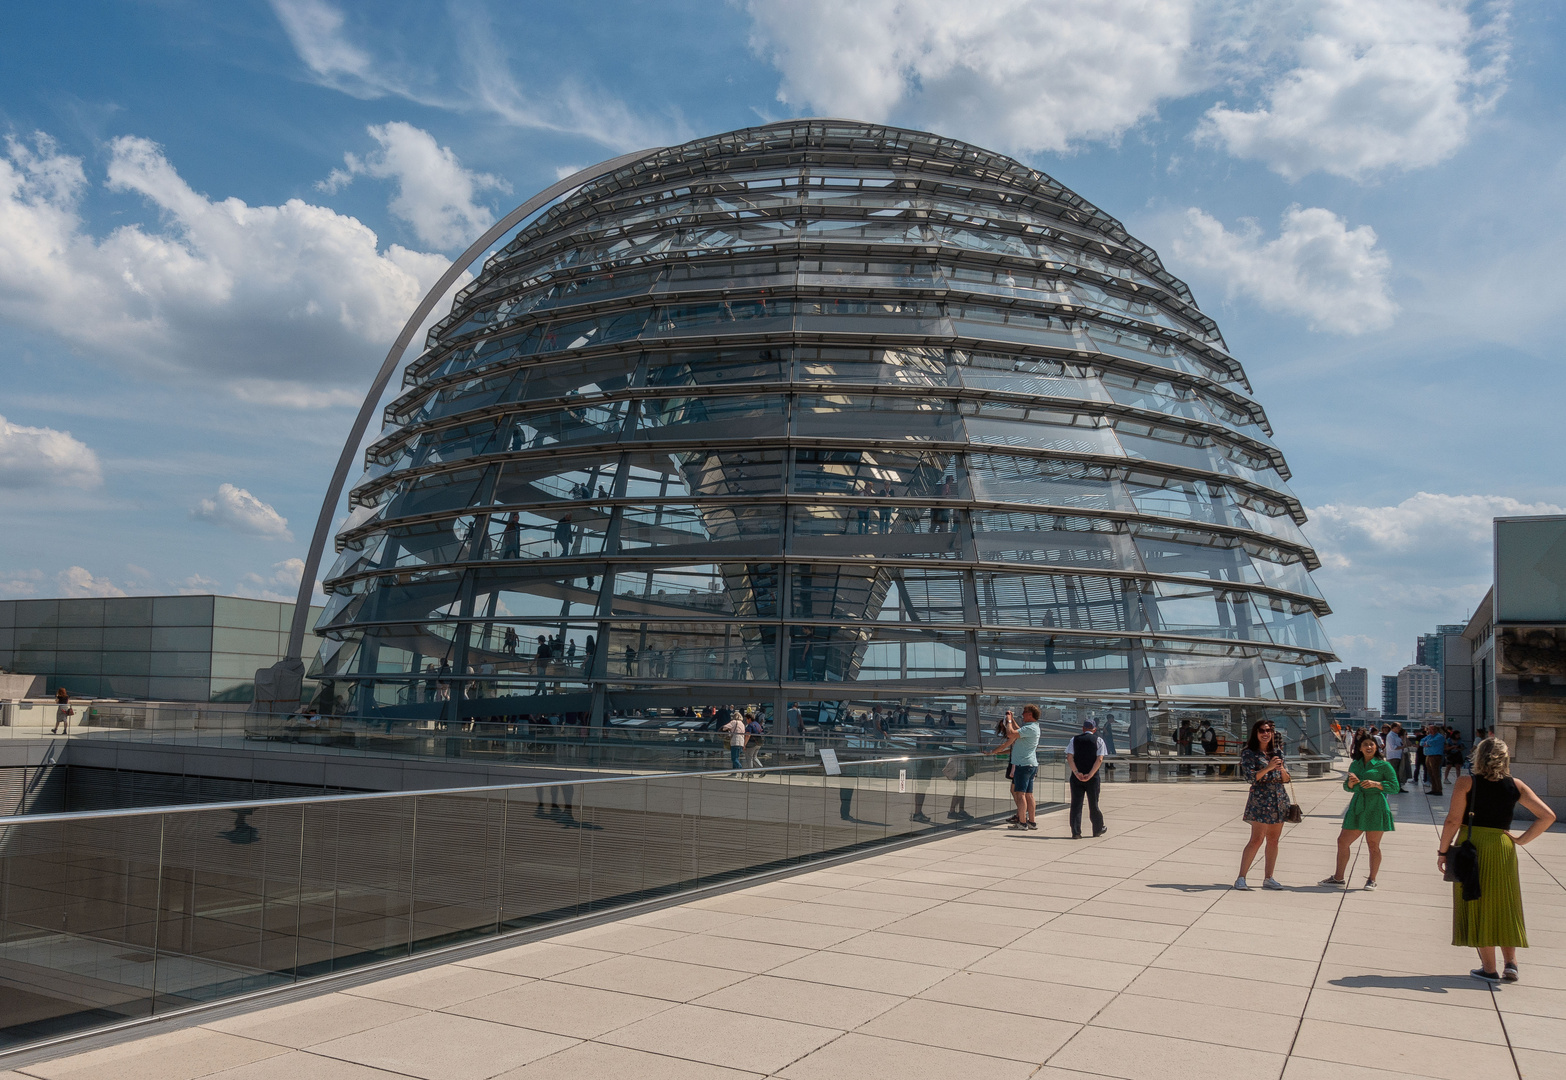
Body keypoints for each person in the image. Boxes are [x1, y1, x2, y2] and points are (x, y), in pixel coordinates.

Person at [1438, 737, 1557, 983]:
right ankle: (1511, 964)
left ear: (1478, 757)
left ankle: (1489, 968)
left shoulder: (1466, 782)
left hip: (1473, 845)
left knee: (1476, 899)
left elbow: (1452, 820)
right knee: (1505, 902)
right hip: (1503, 847)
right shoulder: (1517, 785)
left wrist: (1443, 851)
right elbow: (1547, 816)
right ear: (1505, 758)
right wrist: (1522, 840)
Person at [1321, 732, 1400, 889]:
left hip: (1376, 806)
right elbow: (1347, 787)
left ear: (1377, 747)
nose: (1369, 747)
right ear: (1360, 748)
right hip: (1358, 806)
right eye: (1365, 745)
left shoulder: (1384, 765)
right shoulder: (1355, 764)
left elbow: (1395, 786)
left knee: (1373, 844)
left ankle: (1372, 879)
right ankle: (1338, 877)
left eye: (1371, 744)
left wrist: (1376, 784)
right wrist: (1352, 783)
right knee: (1343, 841)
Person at [1235, 719, 1292, 891]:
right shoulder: (1249, 753)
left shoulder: (1278, 753)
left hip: (1278, 798)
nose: (1265, 733)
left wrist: (1281, 770)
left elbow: (1287, 779)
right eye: (1262, 730)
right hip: (1260, 800)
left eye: (1268, 731)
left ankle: (1269, 877)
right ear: (1256, 733)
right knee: (1257, 839)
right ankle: (1241, 877)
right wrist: (1268, 768)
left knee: (1273, 840)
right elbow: (1251, 778)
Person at [990, 704, 1039, 830]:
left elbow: (1011, 733)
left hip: (1023, 765)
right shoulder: (1032, 727)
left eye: (1024, 712)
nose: (1022, 714)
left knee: (1020, 794)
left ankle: (1022, 823)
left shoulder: (1030, 729)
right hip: (1030, 764)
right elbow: (1018, 730)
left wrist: (1010, 721)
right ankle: (1031, 822)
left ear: (1030, 714)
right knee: (1029, 794)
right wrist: (1012, 720)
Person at [1069, 717, 1108, 839]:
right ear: (1094, 729)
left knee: (1076, 804)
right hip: (1092, 777)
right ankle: (1097, 829)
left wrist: (1077, 772)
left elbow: (1069, 757)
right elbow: (1099, 759)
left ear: (1083, 728)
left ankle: (1076, 832)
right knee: (1093, 804)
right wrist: (1090, 774)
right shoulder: (1099, 740)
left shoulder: (1074, 740)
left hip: (1076, 777)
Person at [1420, 723, 1447, 796]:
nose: (1431, 731)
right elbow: (1421, 742)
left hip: (1435, 756)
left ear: (1436, 730)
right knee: (1430, 773)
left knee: (1436, 773)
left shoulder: (1440, 737)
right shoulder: (1429, 736)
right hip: (1428, 756)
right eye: (1429, 729)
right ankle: (1434, 789)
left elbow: (1432, 743)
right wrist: (1425, 743)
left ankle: (1439, 789)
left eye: (1433, 729)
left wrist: (1426, 743)